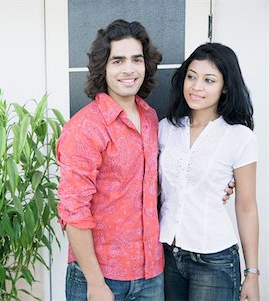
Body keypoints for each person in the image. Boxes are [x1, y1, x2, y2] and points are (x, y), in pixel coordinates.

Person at [56, 19, 164, 301]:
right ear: (103, 67)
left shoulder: (151, 118)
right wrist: (95, 283)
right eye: (118, 61)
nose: (129, 69)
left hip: (152, 273)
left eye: (136, 59)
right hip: (102, 277)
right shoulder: (85, 128)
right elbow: (74, 211)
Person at [158, 43, 260, 301]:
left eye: (209, 80)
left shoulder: (239, 137)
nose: (196, 87)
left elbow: (247, 206)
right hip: (167, 256)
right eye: (191, 76)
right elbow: (155, 186)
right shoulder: (165, 128)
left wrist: (252, 273)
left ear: (225, 86)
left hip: (214, 260)